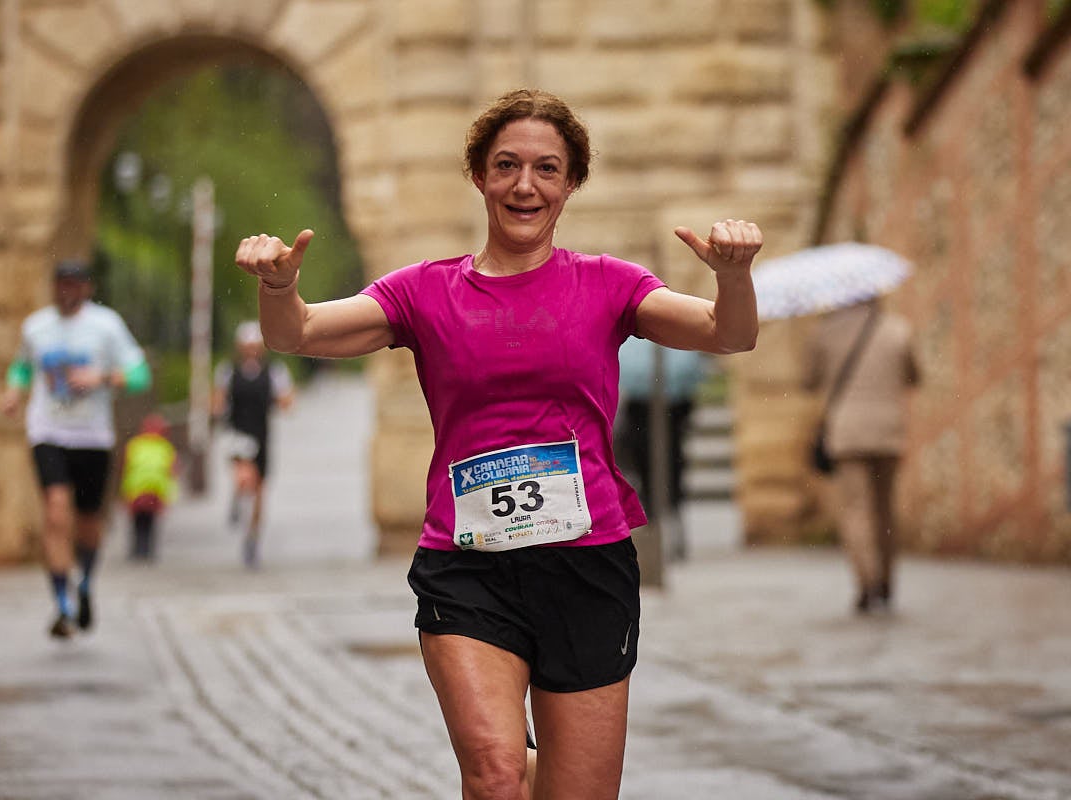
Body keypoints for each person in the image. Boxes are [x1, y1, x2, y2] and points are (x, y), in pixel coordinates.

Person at [235, 89, 762, 799]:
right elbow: (296, 332)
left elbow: (728, 334)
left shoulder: (608, 285)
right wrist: (279, 287)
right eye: (506, 165)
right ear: (478, 176)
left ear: (571, 182)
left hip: (586, 565)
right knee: (493, 772)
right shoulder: (423, 293)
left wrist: (732, 278)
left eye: (547, 168)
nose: (524, 185)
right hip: (467, 566)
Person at [1, 258, 150, 639]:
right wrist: (14, 393)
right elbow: (21, 367)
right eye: (61, 284)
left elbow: (139, 376)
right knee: (55, 512)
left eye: (75, 285)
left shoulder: (106, 326)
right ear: (53, 288)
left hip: (92, 436)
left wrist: (100, 377)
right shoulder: (36, 327)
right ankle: (62, 603)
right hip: (48, 431)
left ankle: (84, 581)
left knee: (88, 522)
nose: (67, 291)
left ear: (88, 288)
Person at [803, 297, 921, 615]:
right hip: (888, 431)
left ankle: (866, 583)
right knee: (885, 509)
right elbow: (913, 376)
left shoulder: (824, 332)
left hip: (847, 431)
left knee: (857, 510)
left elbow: (809, 380)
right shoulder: (898, 330)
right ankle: (886, 583)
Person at [212, 321, 295, 568]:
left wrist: (281, 401)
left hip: (262, 435)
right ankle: (238, 497)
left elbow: (288, 401)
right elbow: (217, 399)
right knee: (245, 476)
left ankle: (252, 536)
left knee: (260, 489)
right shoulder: (228, 371)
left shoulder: (274, 372)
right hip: (237, 433)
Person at [616, 337, 707, 557]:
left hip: (658, 408)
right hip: (658, 408)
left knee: (658, 467)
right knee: (662, 467)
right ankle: (662, 521)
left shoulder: (641, 344)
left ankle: (662, 521)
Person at [119, 412, 178, 562]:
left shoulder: (135, 445)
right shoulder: (165, 447)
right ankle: (144, 550)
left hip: (141, 490)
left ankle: (141, 549)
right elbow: (171, 471)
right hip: (150, 490)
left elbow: (126, 467)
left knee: (141, 522)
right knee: (146, 522)